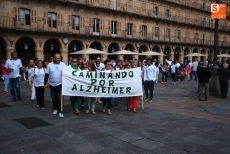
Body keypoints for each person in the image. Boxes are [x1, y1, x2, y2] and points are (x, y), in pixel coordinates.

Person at [44, 53, 65, 118]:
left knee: (60, 98)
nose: (59, 59)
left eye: (59, 58)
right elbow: (47, 74)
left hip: (60, 84)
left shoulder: (63, 65)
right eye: (57, 58)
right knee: (53, 97)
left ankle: (61, 111)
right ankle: (55, 108)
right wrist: (45, 83)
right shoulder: (49, 65)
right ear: (54, 58)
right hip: (52, 84)